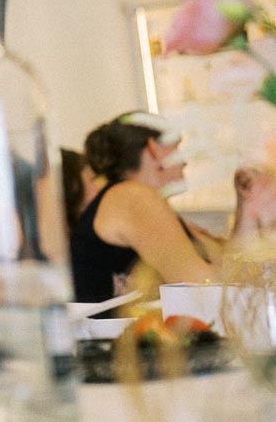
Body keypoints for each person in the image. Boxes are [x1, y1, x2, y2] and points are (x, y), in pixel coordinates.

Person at [70, 111, 276, 304]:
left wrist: (249, 204)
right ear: (154, 148)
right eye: (176, 147)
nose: (184, 162)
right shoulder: (131, 196)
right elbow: (201, 285)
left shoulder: (149, 205)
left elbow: (228, 269)